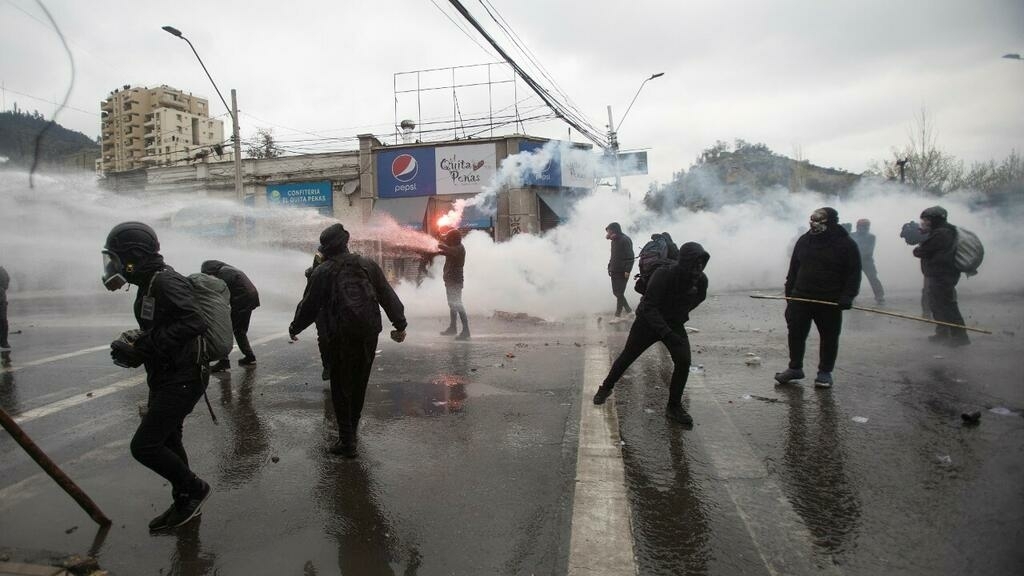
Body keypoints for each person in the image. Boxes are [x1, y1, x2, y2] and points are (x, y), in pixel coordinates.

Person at [101, 222, 211, 531]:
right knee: (169, 439)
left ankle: (195, 489)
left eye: (117, 259)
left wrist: (146, 344)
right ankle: (185, 501)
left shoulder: (164, 282)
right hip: (167, 374)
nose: (113, 266)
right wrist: (135, 345)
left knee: (145, 446)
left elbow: (193, 322)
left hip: (183, 377)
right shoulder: (148, 283)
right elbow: (165, 325)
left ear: (133, 257)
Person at [289, 224, 408, 458]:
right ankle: (351, 431)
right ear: (346, 242)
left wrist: (295, 327)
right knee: (359, 383)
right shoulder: (367, 265)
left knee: (340, 386)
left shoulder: (323, 271)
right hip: (367, 333)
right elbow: (387, 295)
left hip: (339, 335)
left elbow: (309, 305)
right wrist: (400, 324)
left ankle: (347, 441)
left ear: (326, 249)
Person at [593, 242, 710, 427]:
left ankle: (674, 407)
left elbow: (699, 298)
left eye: (701, 264)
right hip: (647, 323)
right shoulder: (665, 274)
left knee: (683, 362)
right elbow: (648, 306)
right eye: (694, 263)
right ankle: (605, 388)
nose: (698, 268)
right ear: (685, 261)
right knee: (627, 357)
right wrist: (666, 332)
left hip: (673, 323)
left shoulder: (701, 280)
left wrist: (679, 315)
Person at [775, 207, 861, 388]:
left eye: (818, 221)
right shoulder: (805, 240)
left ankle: (824, 372)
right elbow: (794, 269)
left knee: (829, 336)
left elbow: (853, 273)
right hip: (801, 297)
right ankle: (795, 367)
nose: (813, 224)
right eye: (811, 220)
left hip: (829, 300)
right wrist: (789, 295)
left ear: (829, 223)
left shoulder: (845, 244)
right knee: (796, 334)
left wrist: (848, 296)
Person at [913, 206, 969, 346]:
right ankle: (942, 332)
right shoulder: (943, 231)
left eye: (926, 219)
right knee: (936, 303)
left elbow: (922, 251)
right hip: (939, 273)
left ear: (934, 219)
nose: (924, 222)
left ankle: (960, 336)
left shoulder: (942, 233)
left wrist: (919, 242)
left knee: (947, 305)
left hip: (943, 274)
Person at [200, 260, 260, 371]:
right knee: (240, 330)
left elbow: (220, 294)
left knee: (224, 330)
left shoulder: (223, 274)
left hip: (241, 301)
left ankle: (224, 362)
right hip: (250, 299)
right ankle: (249, 356)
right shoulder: (229, 269)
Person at [437, 229, 470, 340]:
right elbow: (445, 250)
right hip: (450, 280)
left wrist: (439, 245)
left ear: (454, 239)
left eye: (449, 238)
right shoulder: (454, 247)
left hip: (455, 281)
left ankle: (466, 331)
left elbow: (447, 249)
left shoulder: (459, 248)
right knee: (452, 304)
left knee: (457, 304)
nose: (447, 240)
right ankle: (453, 328)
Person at [900, 220, 931, 318]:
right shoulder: (935, 232)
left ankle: (947, 324)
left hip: (938, 269)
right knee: (928, 291)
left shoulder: (937, 233)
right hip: (932, 270)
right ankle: (928, 313)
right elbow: (914, 240)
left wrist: (917, 251)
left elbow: (923, 249)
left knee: (933, 291)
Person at [850, 219, 885, 305]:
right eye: (862, 226)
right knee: (854, 279)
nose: (864, 228)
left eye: (866, 226)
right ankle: (852, 296)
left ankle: (879, 296)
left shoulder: (871, 237)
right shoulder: (851, 235)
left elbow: (869, 250)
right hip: (855, 260)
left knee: (873, 278)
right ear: (858, 227)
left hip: (867, 260)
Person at [605, 222, 635, 317]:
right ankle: (629, 311)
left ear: (614, 230)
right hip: (614, 269)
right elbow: (613, 255)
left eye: (609, 231)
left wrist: (627, 270)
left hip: (622, 271)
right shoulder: (613, 241)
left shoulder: (625, 240)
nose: (608, 233)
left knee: (619, 292)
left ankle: (617, 315)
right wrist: (610, 266)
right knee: (616, 292)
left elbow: (630, 256)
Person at [0, 265, 10, 350]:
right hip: (2, 299)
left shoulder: (1, 270)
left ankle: (4, 342)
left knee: (2, 320)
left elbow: (6, 280)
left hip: (1, 300)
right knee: (3, 320)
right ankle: (4, 342)